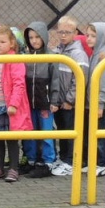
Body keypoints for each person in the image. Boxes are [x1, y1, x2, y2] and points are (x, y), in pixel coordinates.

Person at [0, 25, 32, 182]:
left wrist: (13, 104)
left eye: (2, 42)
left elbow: (19, 84)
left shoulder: (15, 60)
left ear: (11, 43)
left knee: (11, 138)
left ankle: (13, 168)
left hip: (8, 106)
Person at [51, 16, 90, 176]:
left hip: (69, 102)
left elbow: (80, 79)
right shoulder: (57, 50)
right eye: (60, 32)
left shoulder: (78, 54)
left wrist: (70, 100)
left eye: (67, 32)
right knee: (62, 130)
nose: (63, 35)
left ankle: (71, 161)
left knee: (71, 130)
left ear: (75, 33)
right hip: (58, 101)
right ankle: (63, 158)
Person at [21, 21, 59, 178]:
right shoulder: (25, 57)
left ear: (44, 37)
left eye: (37, 37)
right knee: (29, 132)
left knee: (46, 132)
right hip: (28, 104)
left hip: (45, 104)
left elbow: (56, 81)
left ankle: (48, 162)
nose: (34, 40)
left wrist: (55, 101)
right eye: (31, 37)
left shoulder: (51, 57)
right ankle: (31, 160)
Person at [86, 22, 105, 176]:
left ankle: (102, 163)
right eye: (88, 35)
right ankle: (95, 161)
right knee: (93, 132)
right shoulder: (94, 54)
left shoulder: (103, 55)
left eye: (93, 36)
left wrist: (101, 104)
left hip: (99, 104)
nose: (89, 39)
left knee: (99, 133)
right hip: (93, 102)